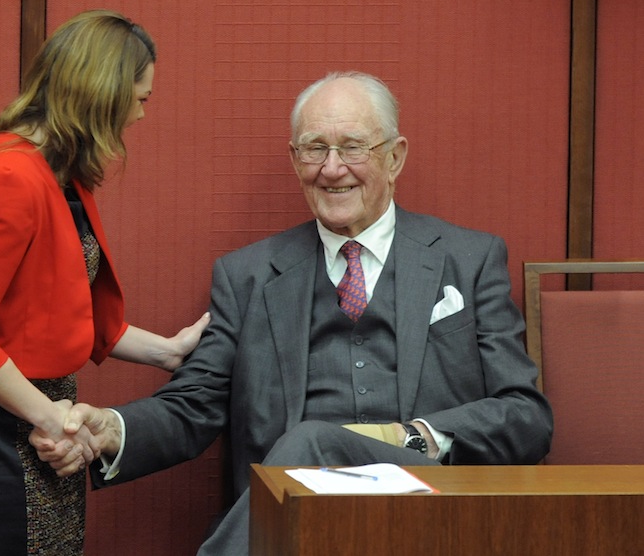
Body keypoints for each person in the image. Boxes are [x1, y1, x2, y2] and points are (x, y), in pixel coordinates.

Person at [34, 71, 553, 555]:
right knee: (305, 444)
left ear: (395, 158)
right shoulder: (248, 277)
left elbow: (526, 417)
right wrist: (111, 429)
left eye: (352, 147)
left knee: (311, 436)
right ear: (294, 159)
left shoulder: (468, 259)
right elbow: (192, 407)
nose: (331, 168)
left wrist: (410, 436)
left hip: (430, 516)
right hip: (295, 529)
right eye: (314, 149)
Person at [0, 9, 209, 556]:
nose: (140, 115)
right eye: (139, 98)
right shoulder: (6, 175)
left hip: (41, 421)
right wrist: (53, 420)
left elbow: (63, 312)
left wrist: (167, 352)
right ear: (101, 94)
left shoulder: (58, 174)